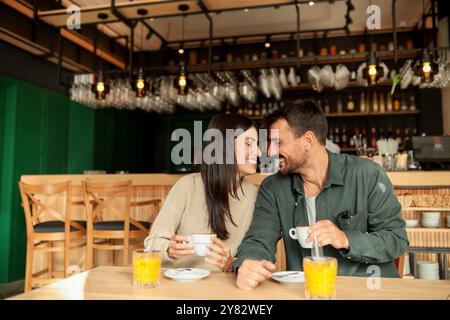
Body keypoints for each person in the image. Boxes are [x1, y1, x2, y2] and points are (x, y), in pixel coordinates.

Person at [233, 99, 408, 290]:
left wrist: (345, 239)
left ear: (308, 140)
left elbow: (396, 239)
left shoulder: (367, 174)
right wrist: (247, 263)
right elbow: (258, 240)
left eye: (278, 142)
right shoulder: (273, 188)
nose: (269, 152)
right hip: (310, 291)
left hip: (370, 290)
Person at [145, 114, 261, 272]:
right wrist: (168, 249)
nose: (259, 152)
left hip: (220, 288)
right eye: (249, 144)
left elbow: (252, 255)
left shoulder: (254, 196)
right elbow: (153, 243)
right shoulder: (187, 186)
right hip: (177, 284)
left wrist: (230, 262)